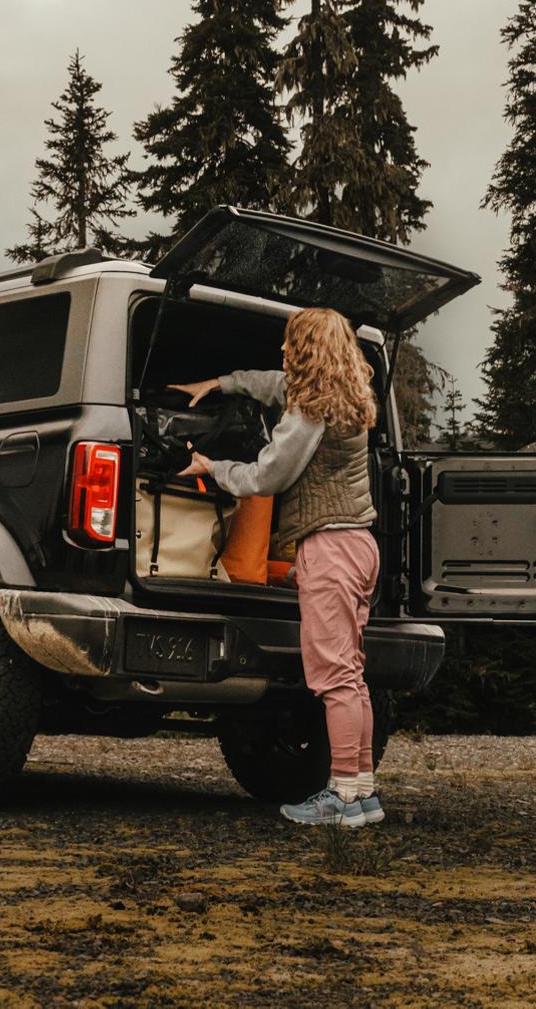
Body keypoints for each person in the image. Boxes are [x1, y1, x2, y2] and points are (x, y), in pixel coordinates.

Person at [172, 307, 383, 828]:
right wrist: (221, 382)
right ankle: (362, 794)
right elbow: (274, 384)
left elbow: (267, 475)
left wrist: (212, 468)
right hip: (360, 545)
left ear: (310, 350)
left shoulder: (309, 414)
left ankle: (341, 797)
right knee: (351, 679)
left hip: (330, 550)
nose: (284, 352)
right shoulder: (348, 395)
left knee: (333, 680)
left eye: (292, 344)